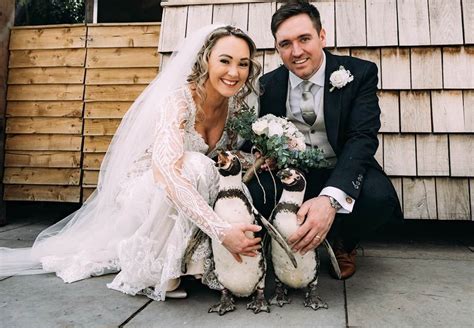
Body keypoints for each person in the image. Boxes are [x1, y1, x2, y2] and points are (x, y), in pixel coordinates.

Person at [0, 25, 263, 301]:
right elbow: (168, 174)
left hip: (184, 190)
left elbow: (222, 160)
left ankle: (192, 263)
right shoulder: (178, 102)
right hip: (147, 190)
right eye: (225, 61)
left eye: (243, 64)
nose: (235, 72)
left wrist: (257, 159)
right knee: (195, 166)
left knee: (207, 170)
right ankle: (153, 272)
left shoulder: (235, 109)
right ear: (205, 60)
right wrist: (220, 230)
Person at [246, 0, 402, 280]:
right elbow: (259, 134)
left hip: (341, 166)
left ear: (322, 36)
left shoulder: (358, 73)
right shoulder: (268, 84)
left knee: (380, 199)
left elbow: (362, 138)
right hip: (292, 173)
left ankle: (343, 240)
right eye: (285, 44)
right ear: (277, 47)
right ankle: (281, 243)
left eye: (304, 39)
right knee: (253, 196)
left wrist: (330, 199)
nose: (296, 52)